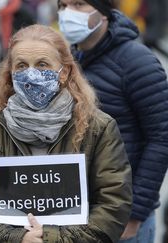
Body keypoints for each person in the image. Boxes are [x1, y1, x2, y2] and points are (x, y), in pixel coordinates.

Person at [0, 24, 132, 242]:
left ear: (64, 72)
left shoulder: (98, 128)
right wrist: (18, 239)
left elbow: (113, 205)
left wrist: (50, 239)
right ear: (11, 74)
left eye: (42, 64)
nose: (31, 74)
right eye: (21, 66)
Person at [57, 0, 168, 242]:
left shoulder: (137, 60)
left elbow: (161, 138)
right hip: (79, 210)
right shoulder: (71, 59)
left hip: (123, 216)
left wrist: (135, 212)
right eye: (63, 5)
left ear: (104, 12)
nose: (68, 14)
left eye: (78, 4)